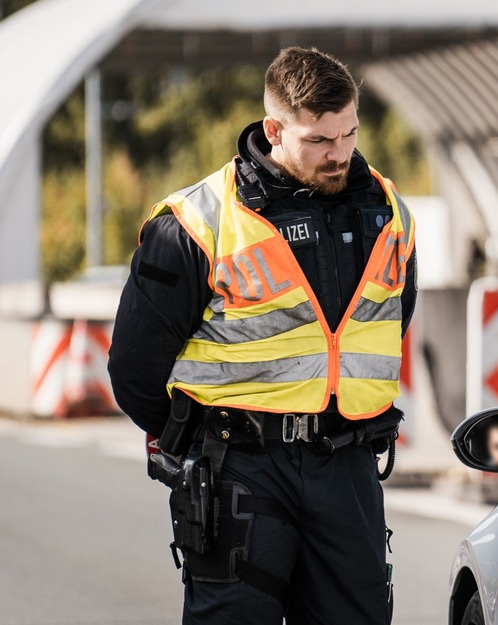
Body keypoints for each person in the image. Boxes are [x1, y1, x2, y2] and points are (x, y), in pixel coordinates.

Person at [108, 47, 417, 625]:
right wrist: (194, 443)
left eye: (349, 134)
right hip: (240, 467)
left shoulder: (389, 211)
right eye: (319, 141)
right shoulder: (195, 224)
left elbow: (392, 320)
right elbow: (133, 367)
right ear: (274, 129)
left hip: (347, 466)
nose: (340, 155)